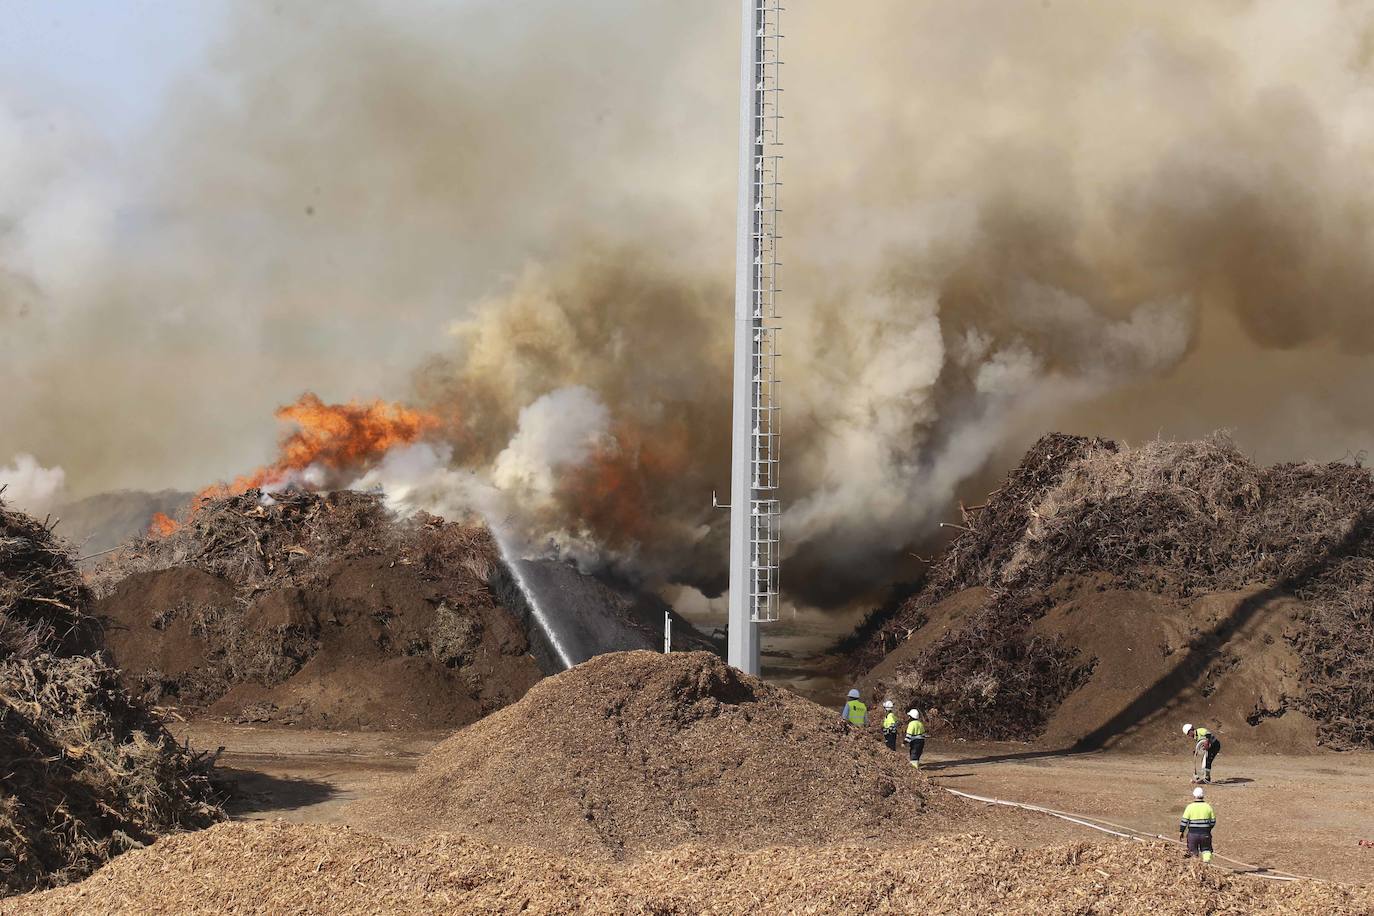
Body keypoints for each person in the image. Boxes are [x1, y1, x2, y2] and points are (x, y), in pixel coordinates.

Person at [1179, 786, 1216, 863]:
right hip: (1205, 834)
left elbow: (1184, 821)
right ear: (1203, 795)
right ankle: (1206, 863)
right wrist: (1207, 829)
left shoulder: (1190, 807)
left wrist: (1181, 831)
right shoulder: (1208, 807)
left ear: (1194, 795)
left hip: (1192, 834)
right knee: (1206, 849)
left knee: (1193, 851)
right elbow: (1213, 821)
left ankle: (1196, 865)